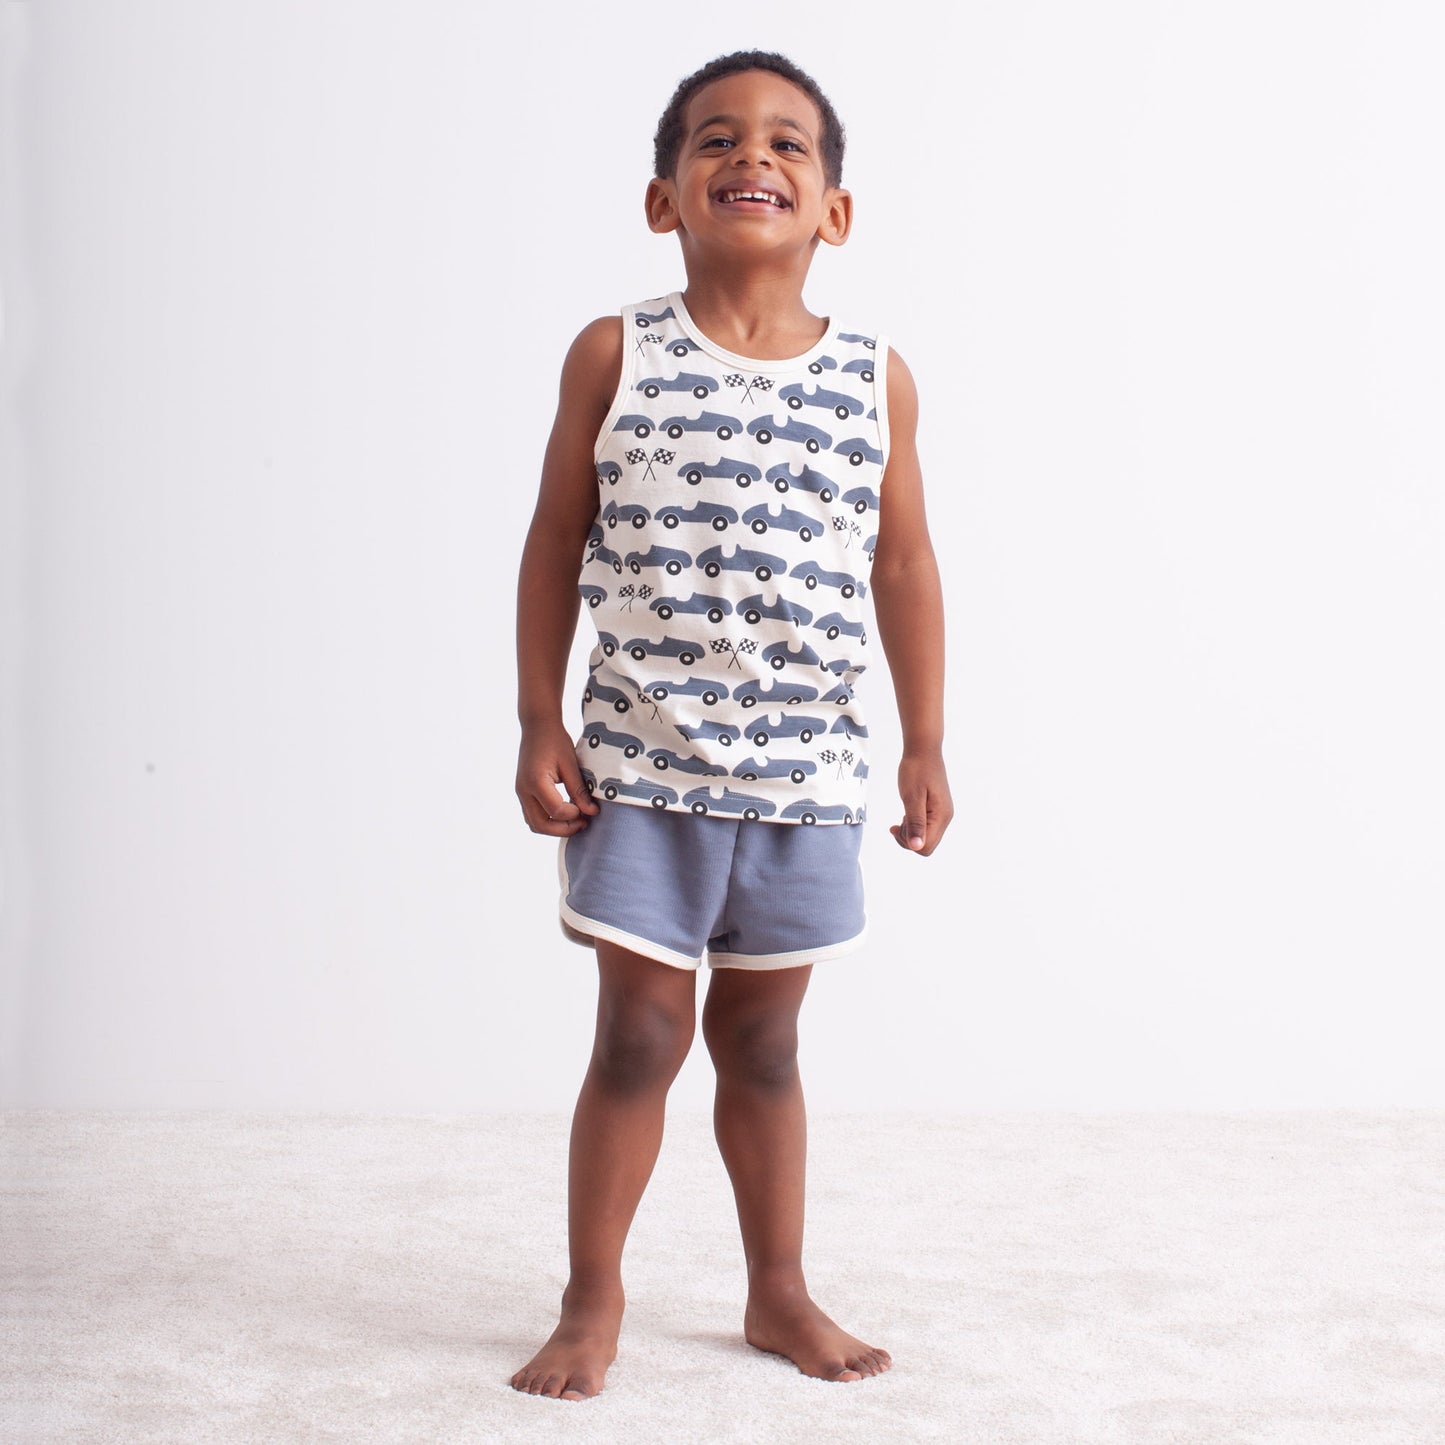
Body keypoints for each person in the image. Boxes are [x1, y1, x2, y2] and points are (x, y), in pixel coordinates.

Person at [510, 49, 951, 1400]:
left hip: (802, 776)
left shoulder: (874, 377)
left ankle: (777, 1289)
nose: (751, 154)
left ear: (834, 210)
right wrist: (537, 716)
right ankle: (592, 1297)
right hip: (640, 767)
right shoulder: (616, 353)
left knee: (763, 1045)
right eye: (715, 139)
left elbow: (903, 563)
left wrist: (923, 739)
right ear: (665, 198)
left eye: (786, 143)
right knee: (639, 1037)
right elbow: (555, 539)